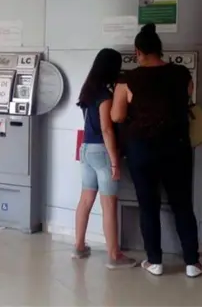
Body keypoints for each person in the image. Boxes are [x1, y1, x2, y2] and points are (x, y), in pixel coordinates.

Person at [111, 23, 202, 278]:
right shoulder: (181, 74)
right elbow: (188, 96)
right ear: (159, 49)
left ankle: (154, 261)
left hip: (141, 149)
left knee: (148, 205)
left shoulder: (127, 79)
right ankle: (192, 263)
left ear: (138, 51)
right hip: (176, 148)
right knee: (182, 204)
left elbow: (117, 116)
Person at [73, 48, 137, 269]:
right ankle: (114, 256)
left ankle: (79, 247)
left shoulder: (88, 91)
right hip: (102, 151)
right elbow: (107, 129)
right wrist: (114, 161)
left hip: (86, 149)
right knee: (109, 204)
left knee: (85, 200)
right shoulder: (105, 95)